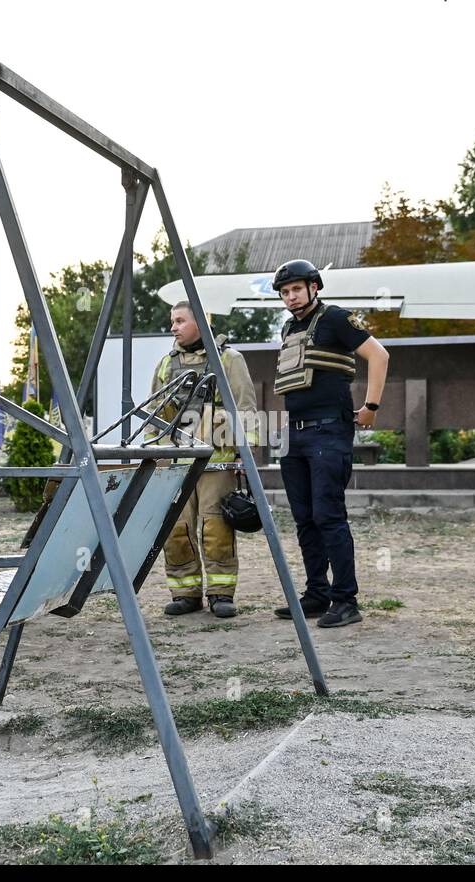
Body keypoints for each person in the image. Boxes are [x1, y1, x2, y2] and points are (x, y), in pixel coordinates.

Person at [270, 259, 389, 628]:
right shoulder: (290, 328)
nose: (291, 297)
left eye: (296, 289)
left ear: (314, 287)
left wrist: (371, 406)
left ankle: (346, 600)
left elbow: (379, 355)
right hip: (295, 434)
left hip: (328, 431)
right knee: (304, 518)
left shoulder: (336, 318)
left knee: (328, 516)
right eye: (285, 292)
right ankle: (317, 595)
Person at [149, 301, 258, 618]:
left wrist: (244, 457)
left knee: (216, 528)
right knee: (177, 530)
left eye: (180, 320)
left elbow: (246, 407)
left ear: (201, 321)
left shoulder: (229, 359)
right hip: (177, 464)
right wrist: (155, 458)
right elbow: (154, 415)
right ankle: (186, 593)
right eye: (172, 321)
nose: (173, 327)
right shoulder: (165, 366)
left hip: (217, 462)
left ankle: (221, 594)